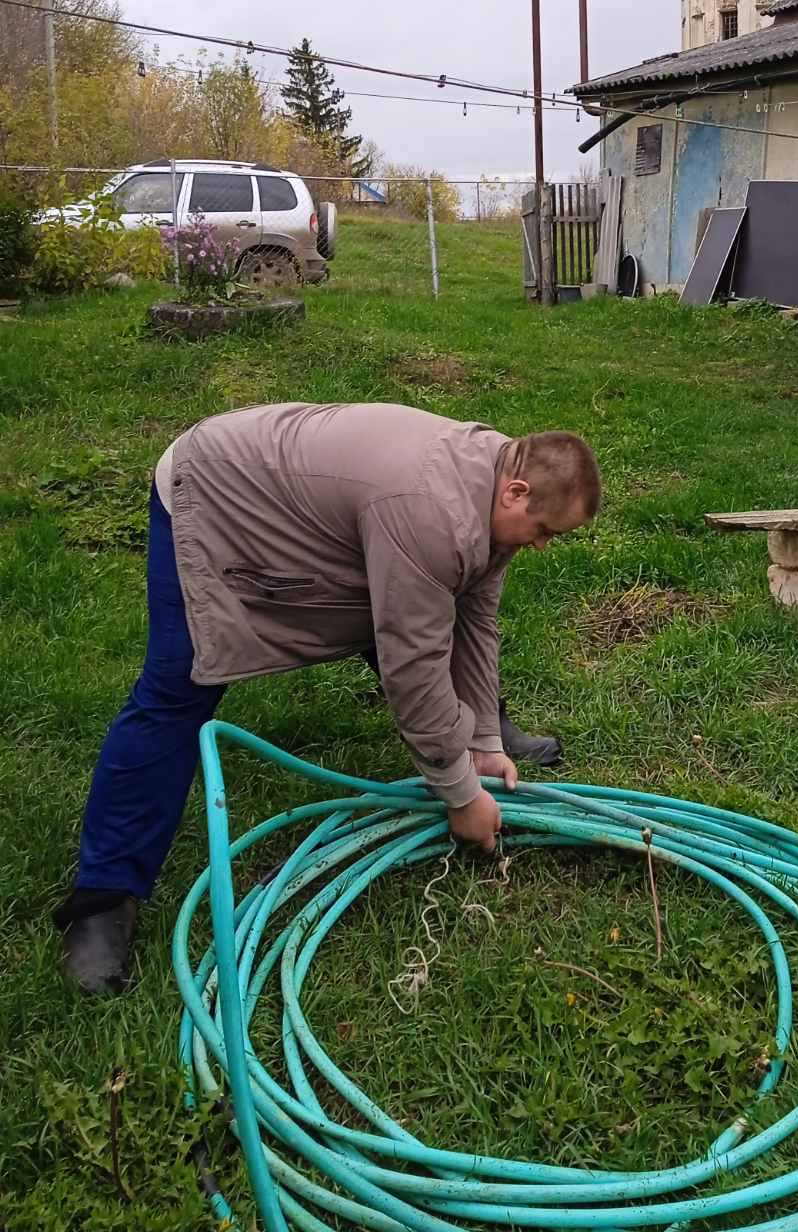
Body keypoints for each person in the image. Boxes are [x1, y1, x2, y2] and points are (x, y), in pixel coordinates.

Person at [53, 402, 602, 994]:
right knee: (179, 690)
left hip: (317, 501)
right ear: (516, 493)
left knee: (422, 607)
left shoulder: (498, 472)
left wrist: (482, 744)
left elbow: (472, 613)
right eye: (545, 531)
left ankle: (474, 733)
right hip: (216, 493)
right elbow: (412, 666)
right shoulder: (430, 510)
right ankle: (103, 902)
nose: (543, 546)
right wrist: (462, 795)